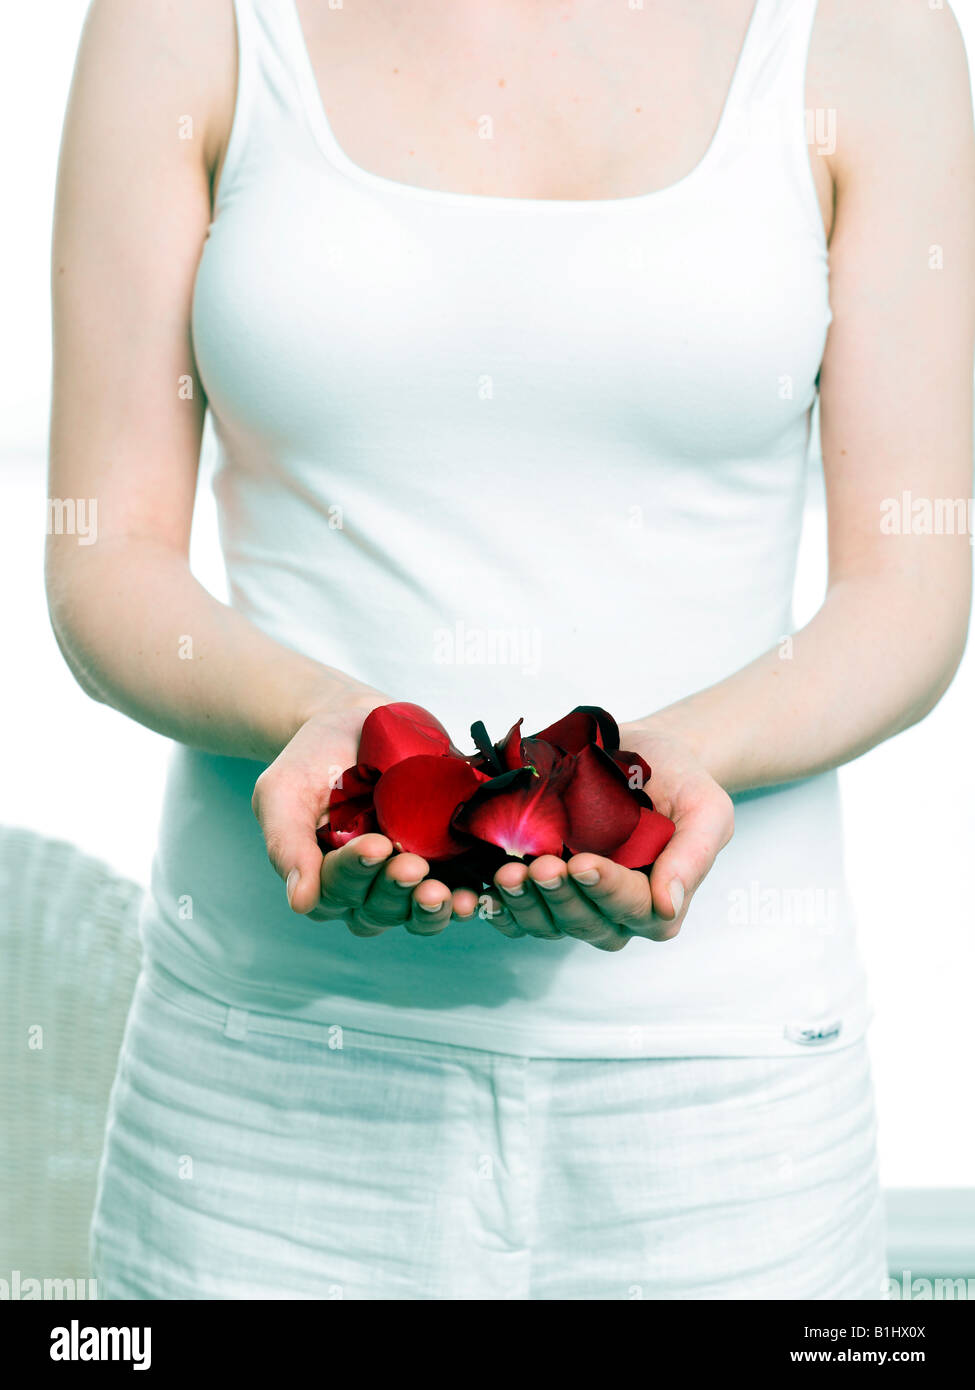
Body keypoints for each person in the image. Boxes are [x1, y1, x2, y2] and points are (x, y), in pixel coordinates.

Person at [47, 0, 975, 1299]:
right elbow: (103, 559)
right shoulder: (180, 23)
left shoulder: (870, 36)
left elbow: (912, 593)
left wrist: (675, 760)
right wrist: (322, 716)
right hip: (264, 1105)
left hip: (724, 1121)